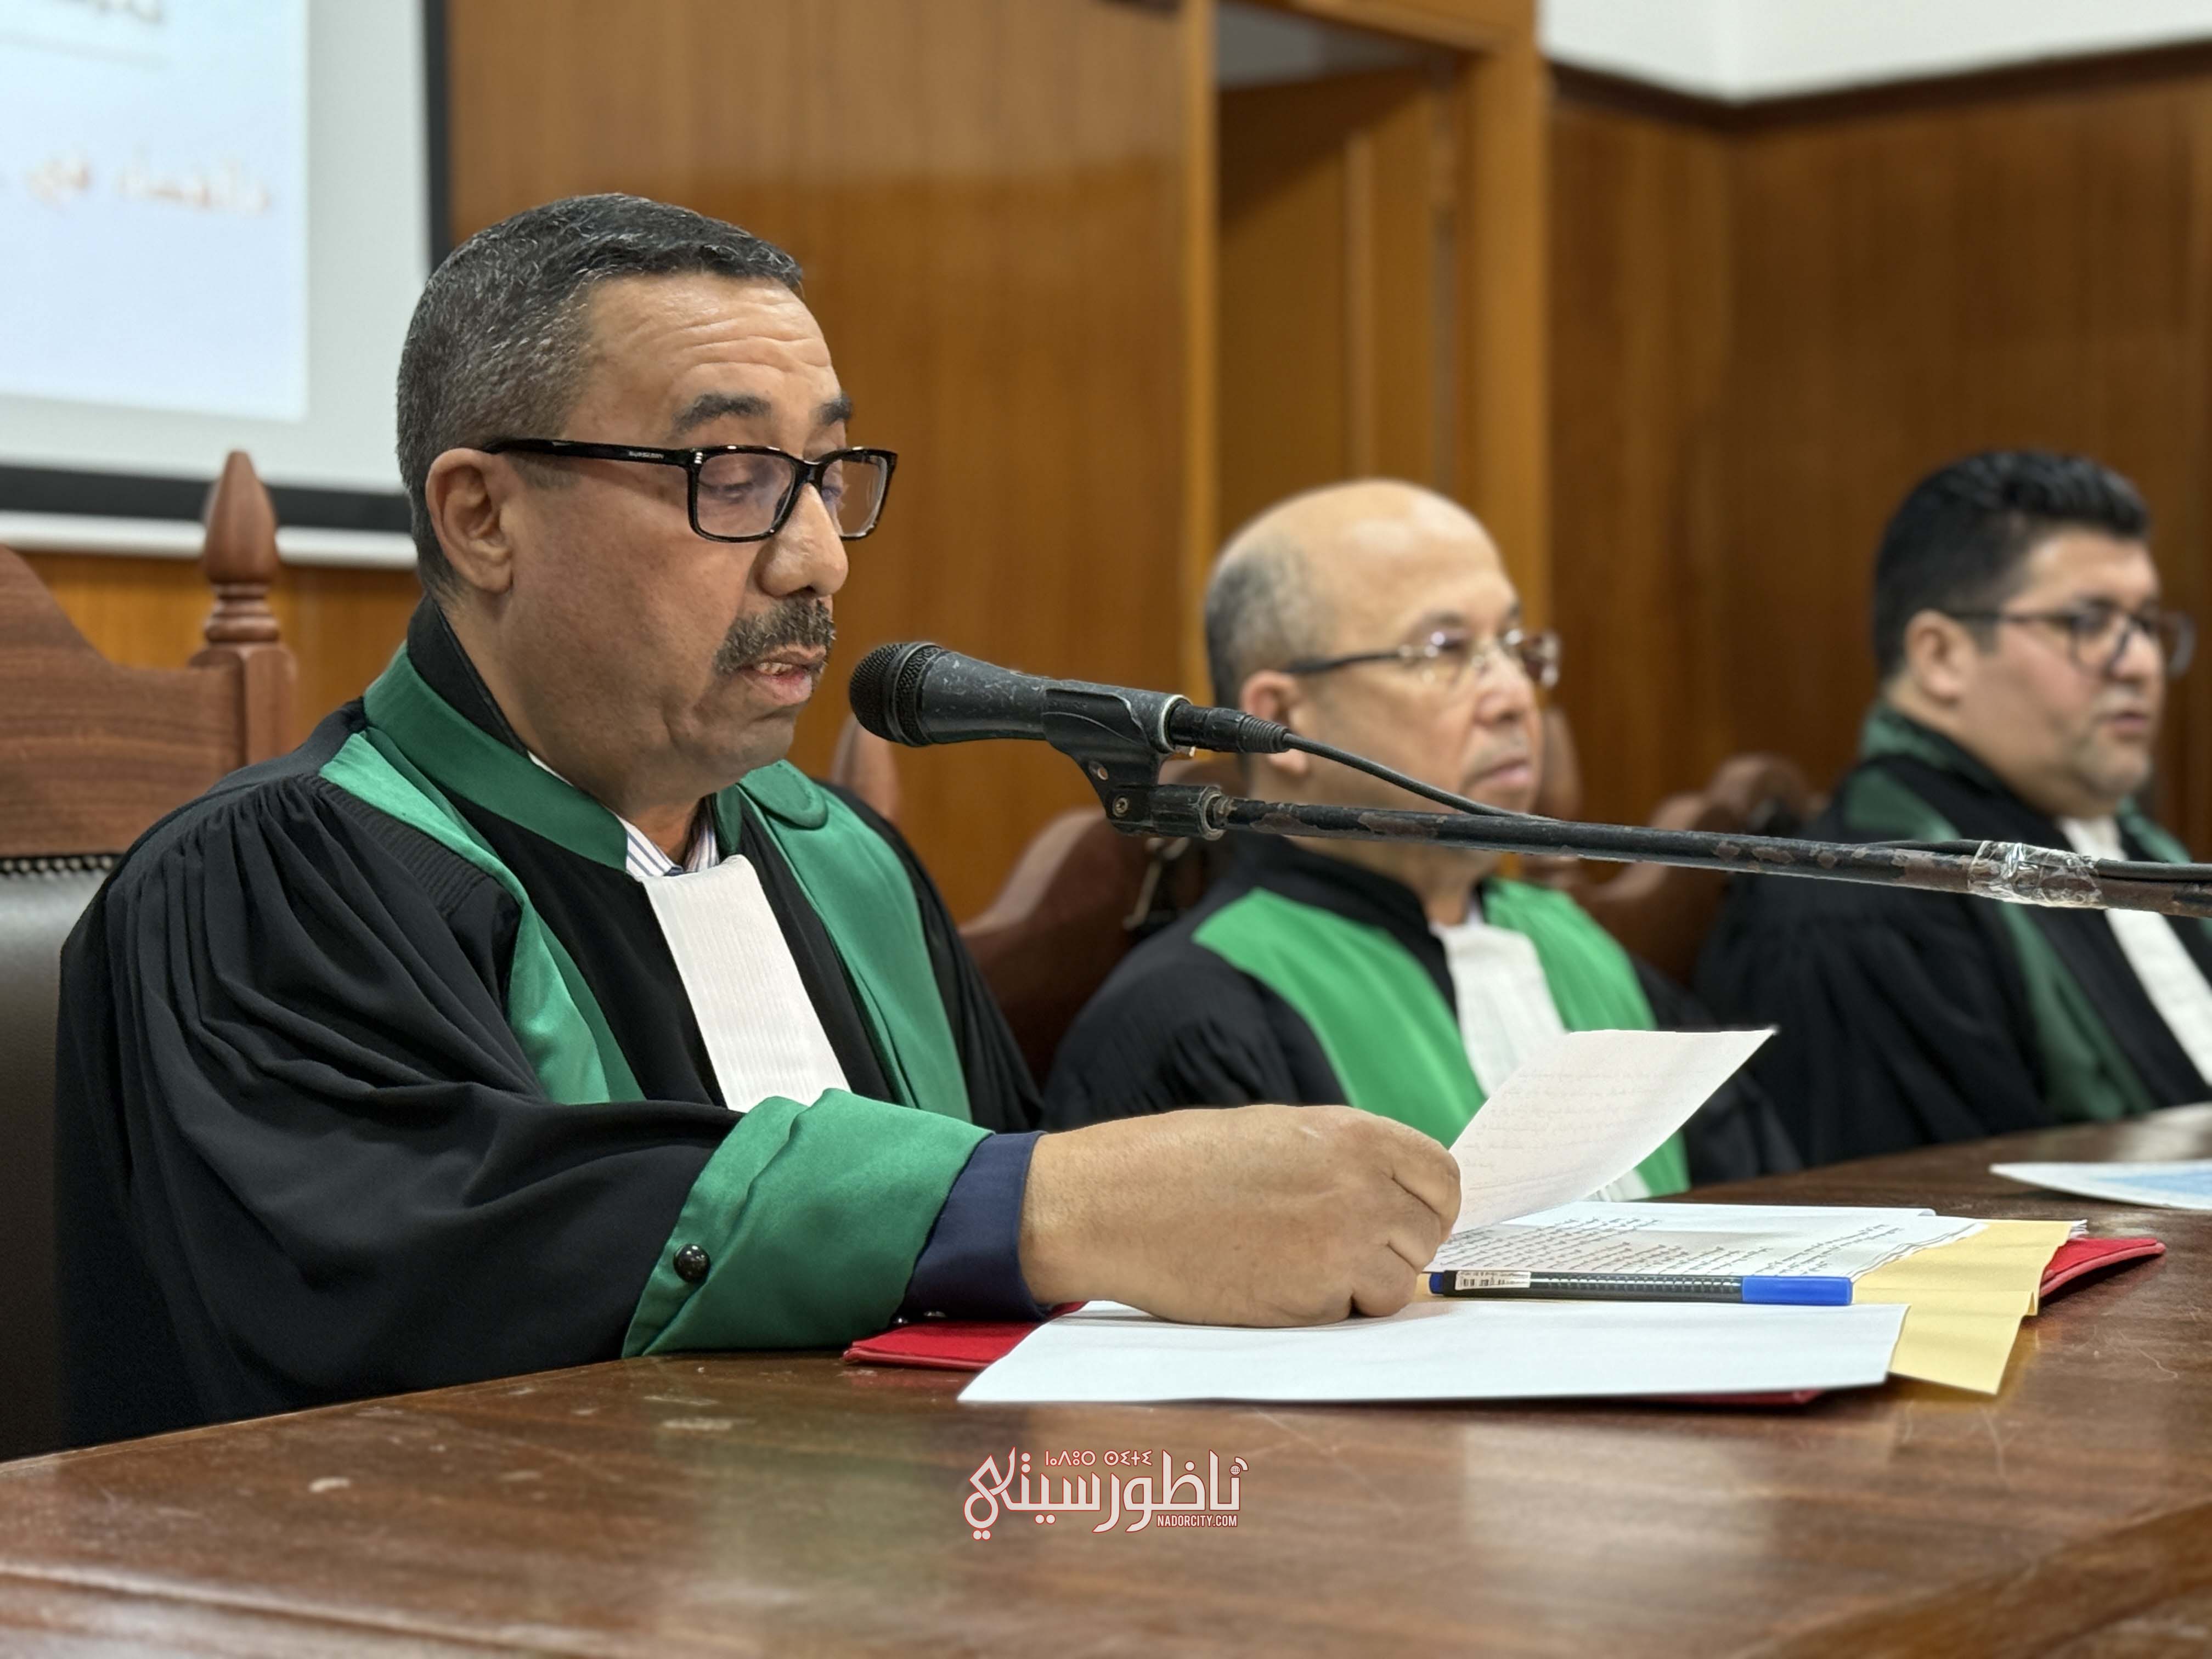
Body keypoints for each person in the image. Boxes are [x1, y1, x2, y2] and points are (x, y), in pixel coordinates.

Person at [55, 195, 1459, 1445]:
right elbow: (439, 1281)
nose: (816, 558)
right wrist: (1048, 1206)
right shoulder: (268, 882)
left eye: (827, 476)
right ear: (482, 517)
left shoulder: (848, 864)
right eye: (729, 477)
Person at [1045, 480, 1790, 1187]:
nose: (1513, 696)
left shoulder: (1580, 949)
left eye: (1514, 645)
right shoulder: (1193, 1019)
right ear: (1283, 720)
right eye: (1444, 651)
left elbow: (1775, 1219)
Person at [1697, 450, 2208, 1164]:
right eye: (2089, 623)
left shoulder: (2146, 848)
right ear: (1941, 656)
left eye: (2147, 623)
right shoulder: (1870, 901)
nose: (2143, 663)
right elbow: (1948, 1208)